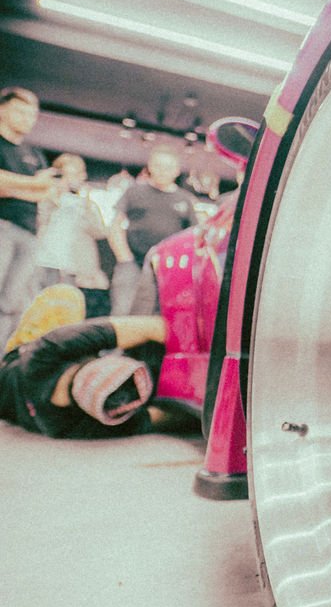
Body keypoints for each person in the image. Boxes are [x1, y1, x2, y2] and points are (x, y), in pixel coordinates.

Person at [0, 283, 166, 438]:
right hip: (15, 399)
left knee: (66, 296)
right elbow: (165, 417)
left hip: (15, 365)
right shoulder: (72, 427)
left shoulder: (47, 350)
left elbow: (153, 327)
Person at [0, 86, 60, 351]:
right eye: (20, 112)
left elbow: (46, 191)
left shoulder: (34, 154)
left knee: (12, 304)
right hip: (2, 226)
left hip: (29, 233)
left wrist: (20, 186)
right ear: (3, 110)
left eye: (31, 114)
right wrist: (31, 185)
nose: (27, 118)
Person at [109, 145, 197, 315]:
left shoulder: (185, 200)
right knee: (123, 312)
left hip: (167, 270)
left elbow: (192, 237)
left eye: (169, 167)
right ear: (150, 167)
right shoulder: (134, 192)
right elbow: (115, 226)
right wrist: (124, 258)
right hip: (132, 264)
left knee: (159, 317)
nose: (163, 171)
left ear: (177, 170)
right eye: (159, 165)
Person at [35, 153, 111, 315]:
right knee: (36, 305)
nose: (74, 179)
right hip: (43, 259)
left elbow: (100, 231)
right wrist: (52, 195)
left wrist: (88, 205)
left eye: (77, 174)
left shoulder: (86, 203)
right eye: (69, 174)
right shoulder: (46, 196)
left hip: (72, 266)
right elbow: (37, 221)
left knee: (63, 310)